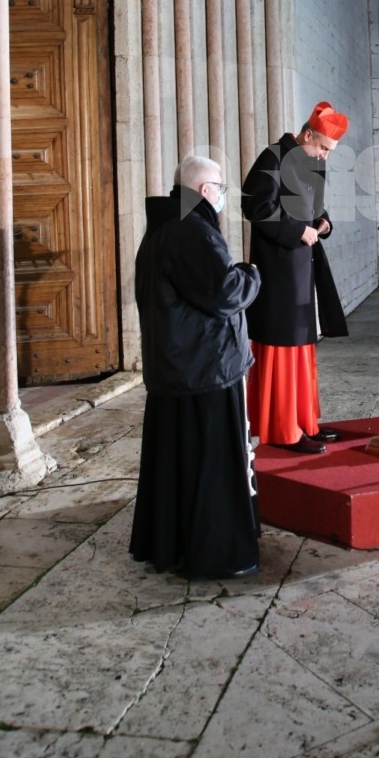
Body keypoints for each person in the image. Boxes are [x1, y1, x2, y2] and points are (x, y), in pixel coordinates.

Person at [130, 154, 262, 579]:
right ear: (205, 191)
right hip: (205, 369)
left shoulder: (162, 228)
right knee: (211, 466)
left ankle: (173, 546)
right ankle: (218, 553)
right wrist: (251, 274)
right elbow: (224, 292)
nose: (222, 195)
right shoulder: (192, 230)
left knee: (177, 465)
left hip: (177, 367)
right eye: (220, 188)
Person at [242, 101, 350, 455]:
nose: (325, 156)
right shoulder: (272, 157)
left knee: (302, 346)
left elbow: (310, 206)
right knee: (282, 347)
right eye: (323, 148)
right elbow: (256, 207)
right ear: (306, 135)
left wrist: (322, 221)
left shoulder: (309, 161)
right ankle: (282, 430)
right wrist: (297, 231)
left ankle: (305, 422)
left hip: (302, 266)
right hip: (278, 270)